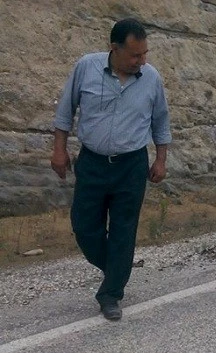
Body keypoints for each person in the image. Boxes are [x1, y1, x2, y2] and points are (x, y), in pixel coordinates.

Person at [51, 18, 172, 321]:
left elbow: (161, 121)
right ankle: (118, 267)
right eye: (135, 55)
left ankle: (111, 293)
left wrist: (160, 159)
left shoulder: (151, 78)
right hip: (92, 163)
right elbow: (66, 110)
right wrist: (59, 149)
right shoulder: (86, 67)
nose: (141, 61)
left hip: (131, 166)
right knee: (83, 226)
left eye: (145, 54)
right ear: (114, 49)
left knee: (123, 230)